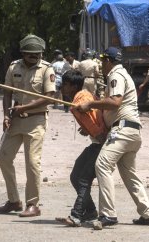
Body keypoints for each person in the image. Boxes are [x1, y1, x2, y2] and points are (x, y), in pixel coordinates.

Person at [74, 47, 149, 229]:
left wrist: (89, 104)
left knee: (102, 164)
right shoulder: (122, 74)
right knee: (130, 175)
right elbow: (110, 111)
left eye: (102, 61)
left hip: (123, 131)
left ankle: (108, 214)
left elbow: (115, 102)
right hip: (131, 132)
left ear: (108, 61)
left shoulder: (115, 74)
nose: (101, 65)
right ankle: (147, 214)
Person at [0, 34, 55, 217]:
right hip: (15, 120)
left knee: (32, 163)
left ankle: (33, 204)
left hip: (36, 121)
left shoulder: (46, 69)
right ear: (23, 53)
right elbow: (7, 94)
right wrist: (6, 116)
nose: (35, 57)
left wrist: (25, 107)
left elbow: (50, 97)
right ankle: (14, 200)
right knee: (4, 157)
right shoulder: (14, 67)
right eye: (31, 54)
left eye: (38, 54)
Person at [55, 70, 107, 227]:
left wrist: (97, 133)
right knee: (75, 176)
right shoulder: (81, 97)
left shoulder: (82, 98)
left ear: (73, 86)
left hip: (101, 143)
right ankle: (90, 211)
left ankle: (76, 215)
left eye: (65, 85)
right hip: (97, 142)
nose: (62, 88)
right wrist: (87, 129)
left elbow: (91, 117)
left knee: (83, 178)